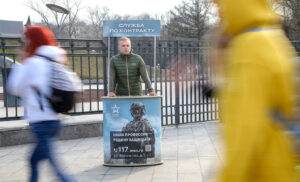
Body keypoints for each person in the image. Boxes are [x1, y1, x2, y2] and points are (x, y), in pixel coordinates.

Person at [211, 0, 299, 182]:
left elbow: (245, 134)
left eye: (220, 4)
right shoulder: (273, 37)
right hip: (279, 167)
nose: (218, 11)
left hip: (262, 172)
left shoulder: (250, 47)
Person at [7, 25, 72, 182]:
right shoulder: (54, 59)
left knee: (55, 168)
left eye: (26, 40)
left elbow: (14, 87)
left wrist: (21, 63)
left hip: (41, 122)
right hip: (55, 120)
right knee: (34, 160)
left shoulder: (33, 63)